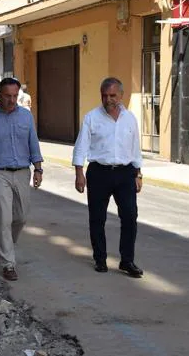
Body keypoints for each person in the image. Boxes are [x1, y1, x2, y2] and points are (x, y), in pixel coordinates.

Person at [0, 77, 44, 281]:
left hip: (22, 172)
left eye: (15, 96)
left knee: (21, 217)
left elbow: (33, 144)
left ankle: (7, 245)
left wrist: (38, 169)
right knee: (4, 217)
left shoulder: (26, 117)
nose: (12, 100)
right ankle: (8, 263)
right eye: (8, 96)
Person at [72, 77, 144, 278]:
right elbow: (81, 147)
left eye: (112, 95)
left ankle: (127, 260)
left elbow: (135, 148)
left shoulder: (130, 119)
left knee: (130, 216)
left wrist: (138, 173)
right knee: (97, 218)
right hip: (99, 173)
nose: (108, 99)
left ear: (121, 95)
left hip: (125, 173)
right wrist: (79, 174)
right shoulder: (91, 118)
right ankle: (100, 259)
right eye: (104, 95)